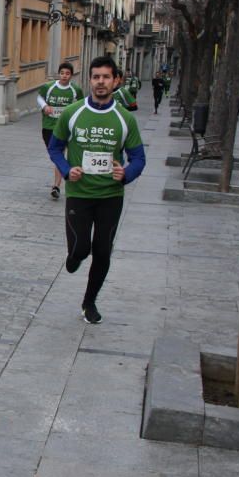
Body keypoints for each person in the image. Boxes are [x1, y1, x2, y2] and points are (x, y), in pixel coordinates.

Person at [47, 56, 146, 324]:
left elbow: (138, 158)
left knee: (102, 250)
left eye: (105, 77)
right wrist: (67, 170)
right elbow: (55, 148)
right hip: (79, 193)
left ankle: (89, 301)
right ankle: (74, 257)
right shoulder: (73, 112)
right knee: (80, 249)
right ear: (89, 80)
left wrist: (126, 173)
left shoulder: (124, 118)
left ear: (115, 81)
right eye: (95, 77)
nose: (100, 82)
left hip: (110, 196)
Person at [36, 62, 84, 200]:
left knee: (60, 154)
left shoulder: (75, 90)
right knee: (55, 155)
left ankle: (56, 186)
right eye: (62, 73)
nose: (64, 76)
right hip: (49, 126)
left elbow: (81, 105)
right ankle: (62, 178)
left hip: (66, 128)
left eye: (67, 73)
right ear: (59, 74)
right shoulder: (49, 87)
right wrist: (44, 106)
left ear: (71, 75)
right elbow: (39, 97)